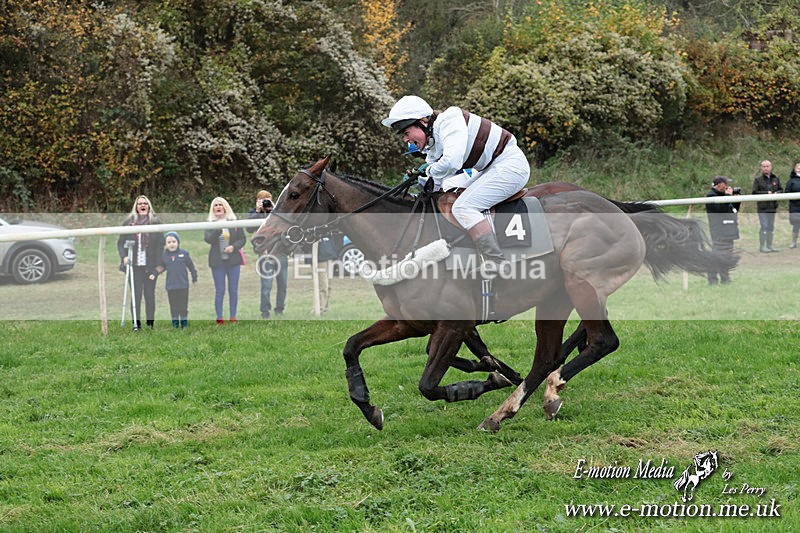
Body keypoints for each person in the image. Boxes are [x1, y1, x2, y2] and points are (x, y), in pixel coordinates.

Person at [381, 95, 530, 274]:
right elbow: (435, 182)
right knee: (450, 195)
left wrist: (426, 170)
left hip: (511, 165)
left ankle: (496, 261)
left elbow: (452, 162)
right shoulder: (432, 144)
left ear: (422, 121)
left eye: (406, 133)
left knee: (463, 207)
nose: (406, 140)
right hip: (491, 168)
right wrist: (418, 187)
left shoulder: (450, 120)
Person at [117, 195, 165, 330]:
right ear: (136, 207)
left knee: (150, 295)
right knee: (136, 295)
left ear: (149, 206)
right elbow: (121, 243)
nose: (142, 205)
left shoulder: (156, 222)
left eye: (145, 203)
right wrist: (124, 257)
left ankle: (150, 324)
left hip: (150, 266)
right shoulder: (128, 222)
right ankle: (136, 324)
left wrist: (158, 265)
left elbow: (160, 244)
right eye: (140, 204)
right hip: (134, 266)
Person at [204, 197, 246, 324]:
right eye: (215, 205)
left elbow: (242, 239)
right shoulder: (209, 224)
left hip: (233, 261)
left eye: (220, 205)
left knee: (233, 289)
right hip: (217, 261)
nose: (217, 207)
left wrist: (233, 247)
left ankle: (233, 316)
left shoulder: (234, 222)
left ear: (225, 207)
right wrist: (218, 228)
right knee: (220, 290)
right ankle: (220, 317)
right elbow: (208, 239)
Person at [247, 190, 288, 318]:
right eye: (263, 199)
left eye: (268, 199)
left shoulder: (277, 212)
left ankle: (279, 309)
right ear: (257, 201)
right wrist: (259, 211)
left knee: (283, 285)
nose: (266, 202)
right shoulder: (254, 213)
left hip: (280, 252)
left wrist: (274, 208)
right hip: (265, 254)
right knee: (266, 286)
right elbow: (249, 229)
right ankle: (265, 311)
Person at [154, 231, 198, 328]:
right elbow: (161, 267)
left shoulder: (184, 254)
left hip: (183, 285)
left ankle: (184, 323)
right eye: (169, 242)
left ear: (178, 242)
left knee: (183, 306)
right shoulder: (164, 256)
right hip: (171, 286)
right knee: (173, 306)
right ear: (166, 244)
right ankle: (175, 324)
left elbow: (191, 266)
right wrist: (154, 274)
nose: (172, 244)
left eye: (174, 241)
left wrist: (194, 276)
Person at [705, 177, 740, 285]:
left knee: (727, 255)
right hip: (719, 231)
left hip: (729, 230)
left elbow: (733, 210)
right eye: (725, 184)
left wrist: (736, 200)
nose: (727, 187)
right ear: (719, 185)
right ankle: (712, 279)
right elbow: (720, 209)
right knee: (717, 255)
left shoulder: (724, 196)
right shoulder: (711, 196)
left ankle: (725, 278)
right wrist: (728, 196)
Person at [751, 160, 782, 252]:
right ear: (761, 168)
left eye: (767, 166)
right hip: (762, 207)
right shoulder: (758, 179)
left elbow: (781, 189)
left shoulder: (776, 178)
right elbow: (754, 192)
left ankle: (770, 245)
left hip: (772, 207)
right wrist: (766, 193)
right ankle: (762, 246)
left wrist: (777, 193)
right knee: (764, 225)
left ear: (771, 167)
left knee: (771, 226)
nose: (766, 168)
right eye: (764, 166)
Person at [784, 161, 800, 248]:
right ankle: (794, 242)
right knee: (796, 224)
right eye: (798, 167)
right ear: (794, 169)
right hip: (795, 206)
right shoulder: (791, 181)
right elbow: (787, 192)